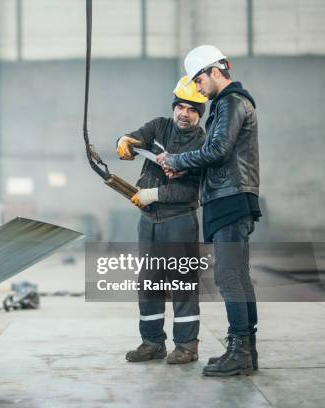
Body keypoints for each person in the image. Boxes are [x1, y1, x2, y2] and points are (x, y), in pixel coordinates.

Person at [157, 45, 261, 376]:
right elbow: (220, 155)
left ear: (216, 72)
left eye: (199, 81)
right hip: (230, 196)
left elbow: (217, 150)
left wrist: (175, 160)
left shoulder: (230, 102)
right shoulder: (229, 103)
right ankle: (245, 349)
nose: (198, 89)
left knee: (229, 276)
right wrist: (186, 169)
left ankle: (240, 350)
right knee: (238, 277)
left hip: (229, 198)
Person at [117, 76, 207, 365]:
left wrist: (152, 193)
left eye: (192, 109)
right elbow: (135, 138)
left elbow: (191, 189)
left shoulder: (202, 142)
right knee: (149, 282)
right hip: (148, 221)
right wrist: (124, 141)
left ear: (199, 113)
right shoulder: (158, 126)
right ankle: (152, 342)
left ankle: (187, 346)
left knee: (182, 283)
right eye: (181, 106)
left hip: (179, 221)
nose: (184, 113)